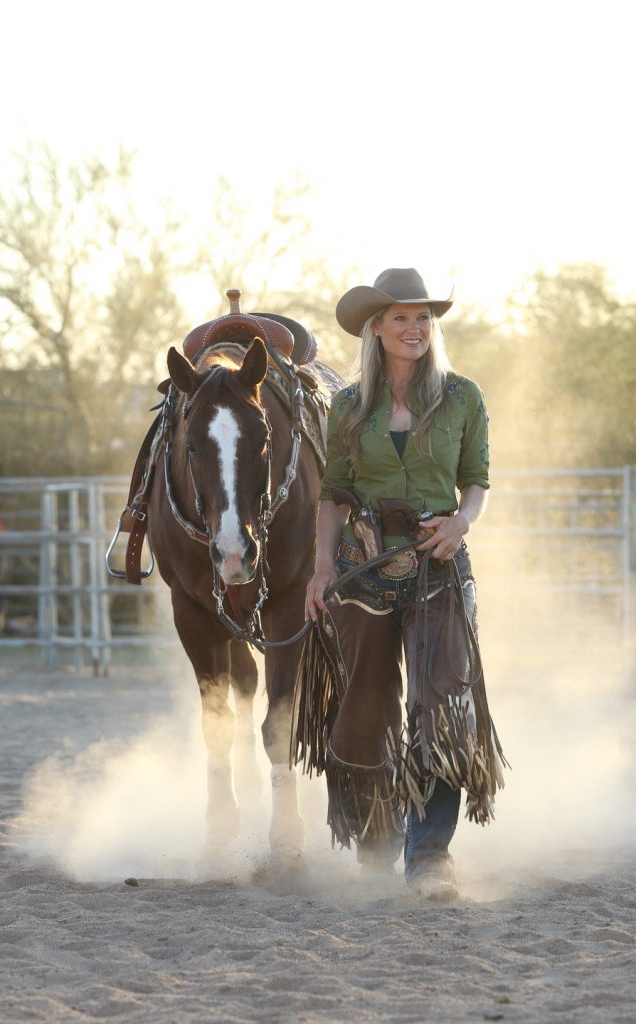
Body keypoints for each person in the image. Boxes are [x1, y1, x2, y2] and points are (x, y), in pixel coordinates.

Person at [297, 267, 506, 901]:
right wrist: (322, 566)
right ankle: (377, 844)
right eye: (400, 318)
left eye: (423, 318)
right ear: (376, 328)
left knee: (441, 706)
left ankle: (429, 855)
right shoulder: (347, 406)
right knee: (365, 703)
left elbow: (477, 480)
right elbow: (332, 494)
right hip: (363, 571)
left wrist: (462, 522)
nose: (414, 329)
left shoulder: (463, 396)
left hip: (438, 569)